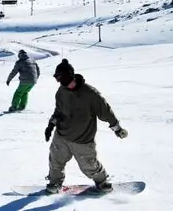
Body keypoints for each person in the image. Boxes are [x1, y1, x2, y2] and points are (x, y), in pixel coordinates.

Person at [44, 59, 128, 194]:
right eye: (60, 81)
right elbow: (59, 110)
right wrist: (50, 125)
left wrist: (117, 128)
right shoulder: (62, 91)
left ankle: (102, 182)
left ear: (71, 76)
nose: (64, 84)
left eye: (65, 80)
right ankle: (54, 183)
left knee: (89, 165)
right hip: (62, 134)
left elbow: (105, 111)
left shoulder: (90, 94)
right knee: (55, 161)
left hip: (82, 139)